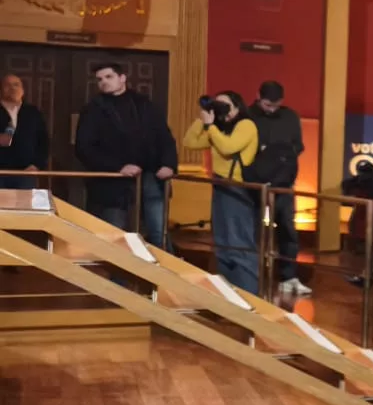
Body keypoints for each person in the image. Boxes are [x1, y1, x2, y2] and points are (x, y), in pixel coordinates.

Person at [75, 61, 177, 247]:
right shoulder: (92, 109)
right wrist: (118, 167)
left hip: (150, 175)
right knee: (115, 234)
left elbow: (164, 136)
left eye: (109, 77)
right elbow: (84, 148)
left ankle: (165, 265)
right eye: (99, 79)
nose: (104, 82)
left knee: (158, 231)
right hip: (113, 181)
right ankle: (116, 268)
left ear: (122, 78)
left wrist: (168, 164)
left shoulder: (144, 104)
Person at [181, 92, 262, 295]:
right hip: (220, 186)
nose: (221, 109)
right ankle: (228, 293)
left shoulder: (246, 125)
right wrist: (203, 119)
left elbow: (228, 147)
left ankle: (248, 294)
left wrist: (211, 127)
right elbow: (189, 142)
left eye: (225, 105)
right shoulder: (217, 129)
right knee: (222, 242)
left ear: (237, 107)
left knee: (238, 242)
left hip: (238, 188)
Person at [244, 81, 307, 301]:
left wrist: (280, 156)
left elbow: (298, 145)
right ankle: (250, 275)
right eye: (267, 104)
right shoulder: (247, 116)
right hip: (255, 184)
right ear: (258, 97)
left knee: (288, 230)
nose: (271, 109)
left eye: (276, 105)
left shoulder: (290, 117)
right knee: (253, 230)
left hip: (283, 184)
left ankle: (289, 277)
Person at [0, 73, 50, 190]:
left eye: (16, 85)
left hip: (26, 173)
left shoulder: (33, 112)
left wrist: (37, 165)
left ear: (22, 90)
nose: (12, 88)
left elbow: (43, 141)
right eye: (8, 85)